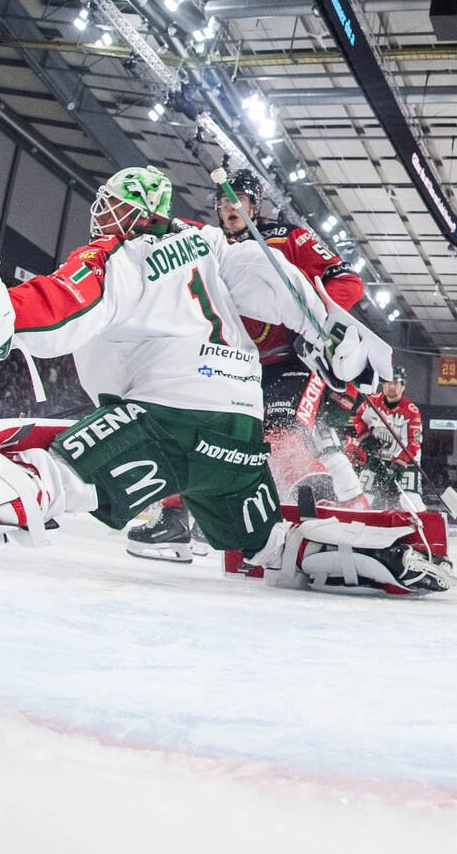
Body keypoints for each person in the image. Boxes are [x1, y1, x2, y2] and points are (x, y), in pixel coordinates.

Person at [0, 166, 450, 593]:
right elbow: (278, 283)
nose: (100, 220)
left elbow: (68, 304)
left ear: (132, 210)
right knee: (258, 539)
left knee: (64, 467)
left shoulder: (122, 254)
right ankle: (338, 553)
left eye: (108, 208)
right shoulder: (211, 242)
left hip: (169, 416)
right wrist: (331, 331)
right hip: (238, 425)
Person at [125, 168, 369, 563]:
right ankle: (174, 521)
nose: (229, 207)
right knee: (196, 430)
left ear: (255, 205)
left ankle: (324, 521)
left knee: (282, 437)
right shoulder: (211, 245)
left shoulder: (289, 237)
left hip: (291, 363)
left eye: (238, 199)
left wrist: (316, 323)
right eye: (223, 201)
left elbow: (347, 283)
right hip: (236, 366)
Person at [346, 366, 424, 508]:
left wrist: (399, 465)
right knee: (363, 496)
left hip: (406, 463)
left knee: (410, 500)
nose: (391, 387)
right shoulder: (371, 402)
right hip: (378, 459)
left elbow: (414, 443)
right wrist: (365, 437)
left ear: (403, 386)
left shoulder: (411, 411)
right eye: (387, 383)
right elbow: (357, 418)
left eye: (395, 383)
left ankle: (425, 525)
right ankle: (356, 523)